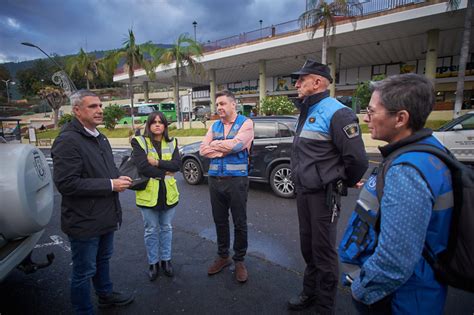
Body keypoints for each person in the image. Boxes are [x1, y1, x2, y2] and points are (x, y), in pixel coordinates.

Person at [339, 74, 453, 314]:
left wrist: (360, 290)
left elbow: (395, 260)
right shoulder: (430, 150)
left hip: (399, 298)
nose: (366, 118)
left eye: (371, 111)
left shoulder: (406, 171)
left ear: (401, 118)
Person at [288, 60, 368, 313]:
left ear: (318, 82)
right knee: (308, 247)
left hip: (323, 195)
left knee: (323, 252)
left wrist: (338, 181)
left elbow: (357, 160)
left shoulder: (338, 112)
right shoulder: (307, 109)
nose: (297, 84)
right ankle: (309, 293)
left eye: (302, 79)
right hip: (303, 191)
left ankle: (325, 305)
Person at [51, 90, 134, 314]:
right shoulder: (67, 140)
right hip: (83, 220)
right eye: (93, 106)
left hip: (106, 215)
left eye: (100, 106)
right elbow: (67, 184)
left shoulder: (99, 135)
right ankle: (83, 310)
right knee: (84, 271)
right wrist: (110, 184)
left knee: (103, 260)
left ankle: (105, 295)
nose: (100, 110)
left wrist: (118, 178)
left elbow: (103, 171)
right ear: (76, 111)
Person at [199, 90, 254, 283]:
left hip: (237, 180)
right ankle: (223, 256)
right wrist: (223, 148)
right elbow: (202, 149)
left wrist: (216, 145)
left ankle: (239, 260)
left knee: (239, 222)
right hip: (215, 180)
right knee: (219, 221)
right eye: (217, 104)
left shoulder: (246, 123)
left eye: (222, 103)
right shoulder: (214, 125)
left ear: (233, 105)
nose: (219, 107)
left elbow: (237, 145)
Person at [130, 111, 180, 281]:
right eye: (153, 122)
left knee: (166, 228)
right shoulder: (139, 142)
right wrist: (165, 172)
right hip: (148, 195)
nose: (157, 124)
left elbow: (177, 165)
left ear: (165, 125)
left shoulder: (172, 142)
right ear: (148, 125)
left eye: (161, 122)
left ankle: (166, 260)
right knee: (151, 230)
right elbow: (143, 167)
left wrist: (158, 163)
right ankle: (153, 262)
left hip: (169, 194)